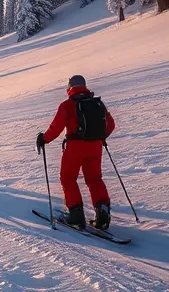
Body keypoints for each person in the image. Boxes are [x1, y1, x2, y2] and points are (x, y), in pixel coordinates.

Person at [35, 75, 116, 230]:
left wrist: (44, 139)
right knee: (94, 179)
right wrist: (100, 137)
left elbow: (55, 128)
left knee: (68, 178)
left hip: (75, 148)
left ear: (69, 87)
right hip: (95, 147)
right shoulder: (98, 103)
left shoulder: (67, 105)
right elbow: (110, 124)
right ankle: (103, 213)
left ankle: (76, 215)